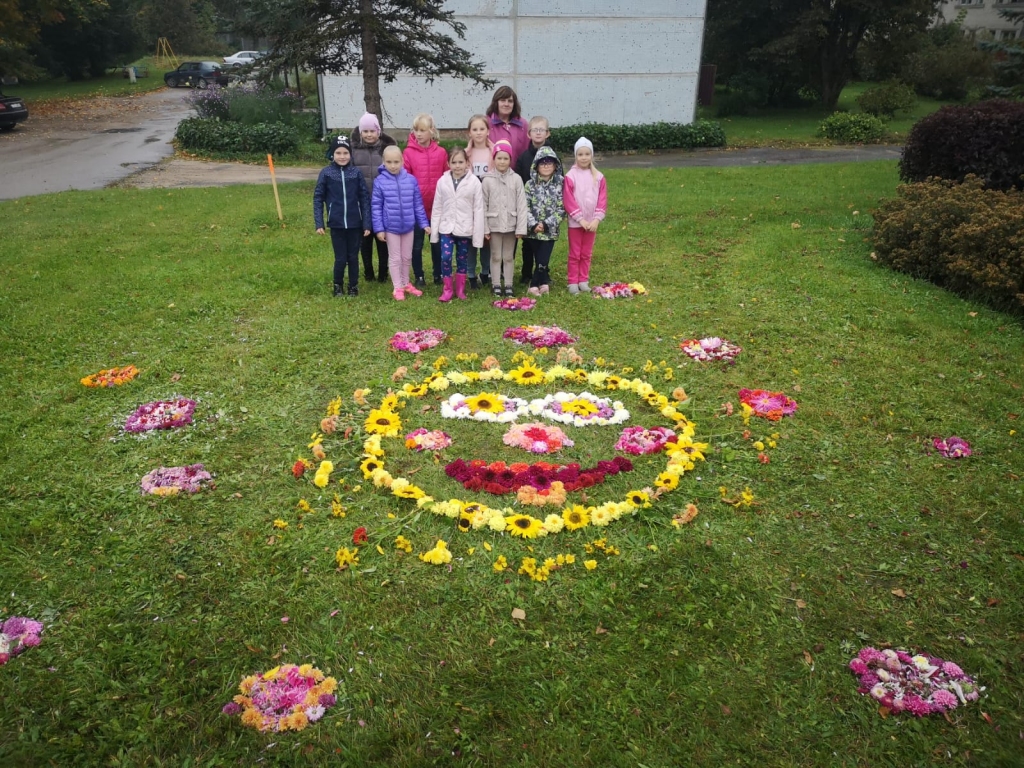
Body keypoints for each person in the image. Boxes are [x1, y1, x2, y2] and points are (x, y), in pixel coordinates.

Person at [314, 135, 371, 297]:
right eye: (338, 153)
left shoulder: (356, 173)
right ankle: (337, 285)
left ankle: (353, 286)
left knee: (353, 257)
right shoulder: (326, 173)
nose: (342, 156)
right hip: (336, 223)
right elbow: (318, 197)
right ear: (332, 154)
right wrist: (319, 222)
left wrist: (367, 223)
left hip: (355, 224)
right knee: (340, 258)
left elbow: (364, 198)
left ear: (351, 154)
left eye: (345, 153)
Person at [372, 146, 430, 301]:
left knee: (406, 257)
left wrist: (424, 223)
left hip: (408, 226)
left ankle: (406, 283)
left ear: (403, 161)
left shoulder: (411, 180)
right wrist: (379, 229)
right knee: (395, 258)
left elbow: (418, 204)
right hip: (391, 228)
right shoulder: (379, 182)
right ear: (383, 162)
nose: (393, 165)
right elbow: (376, 206)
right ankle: (397, 287)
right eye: (389, 162)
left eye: (396, 161)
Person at [430, 147, 484, 302]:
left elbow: (478, 208)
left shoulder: (474, 182)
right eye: (454, 162)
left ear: (467, 163)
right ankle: (447, 289)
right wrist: (434, 232)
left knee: (462, 258)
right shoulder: (443, 181)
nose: (458, 166)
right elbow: (437, 207)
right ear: (448, 163)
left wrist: (478, 234)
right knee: (446, 257)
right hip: (446, 227)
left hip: (465, 228)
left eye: (461, 162)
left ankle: (460, 289)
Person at [349, 112, 397, 283]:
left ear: (378, 131)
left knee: (382, 239)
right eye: (365, 131)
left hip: (383, 202)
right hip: (361, 202)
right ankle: (368, 272)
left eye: (372, 131)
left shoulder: (386, 149)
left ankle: (383, 273)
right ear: (361, 132)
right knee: (365, 239)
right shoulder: (353, 149)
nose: (369, 135)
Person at [403, 113, 448, 287]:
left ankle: (438, 274)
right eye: (416, 130)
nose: (418, 134)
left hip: (437, 208)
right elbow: (405, 178)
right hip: (416, 208)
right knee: (416, 244)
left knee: (437, 244)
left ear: (431, 131)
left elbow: (446, 175)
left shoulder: (442, 152)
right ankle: (419, 275)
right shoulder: (408, 152)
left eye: (422, 130)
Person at [482, 139, 528, 297]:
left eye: (505, 158)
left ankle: (508, 284)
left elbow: (522, 205)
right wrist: (485, 228)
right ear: (494, 159)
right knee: (495, 256)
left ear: (510, 159)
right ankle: (495, 284)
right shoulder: (487, 180)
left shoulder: (516, 179)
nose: (502, 161)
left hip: (511, 225)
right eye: (499, 158)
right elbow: (483, 205)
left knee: (508, 256)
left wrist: (521, 228)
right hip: (494, 225)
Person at [563, 137, 607, 294]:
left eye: (587, 154)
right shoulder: (570, 176)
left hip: (592, 223)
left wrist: (596, 219)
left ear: (591, 155)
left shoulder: (599, 176)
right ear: (576, 156)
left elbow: (602, 200)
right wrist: (580, 219)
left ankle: (583, 280)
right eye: (580, 154)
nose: (584, 157)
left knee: (586, 253)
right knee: (575, 253)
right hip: (576, 223)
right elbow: (568, 200)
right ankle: (572, 282)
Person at [515, 115, 552, 285]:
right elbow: (518, 182)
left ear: (547, 133)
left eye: (541, 130)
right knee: (528, 243)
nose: (538, 133)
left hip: (548, 209)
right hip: (528, 207)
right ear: (529, 134)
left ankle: (543, 272)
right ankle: (526, 273)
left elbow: (559, 181)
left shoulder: (552, 157)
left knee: (544, 242)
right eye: (535, 130)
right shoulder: (523, 158)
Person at [524, 146, 564, 297]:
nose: (546, 166)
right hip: (533, 230)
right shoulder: (529, 185)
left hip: (550, 230)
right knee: (538, 257)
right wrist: (534, 224)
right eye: (542, 163)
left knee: (543, 258)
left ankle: (534, 284)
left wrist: (547, 224)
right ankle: (543, 282)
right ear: (536, 166)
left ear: (555, 165)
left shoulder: (561, 183)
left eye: (550, 162)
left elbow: (562, 208)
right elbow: (525, 207)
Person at [465, 114, 494, 289]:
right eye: (474, 129)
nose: (478, 133)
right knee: (470, 240)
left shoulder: (493, 151)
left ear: (488, 131)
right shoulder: (466, 153)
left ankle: (486, 271)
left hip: (489, 201)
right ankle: (470, 274)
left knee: (486, 238)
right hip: (470, 203)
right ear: (469, 132)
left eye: (482, 129)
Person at [486, 86, 529, 164]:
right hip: (491, 173)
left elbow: (527, 151)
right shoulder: (486, 123)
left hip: (517, 173)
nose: (506, 104)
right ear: (496, 102)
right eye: (503, 100)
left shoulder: (523, 125)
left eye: (510, 101)